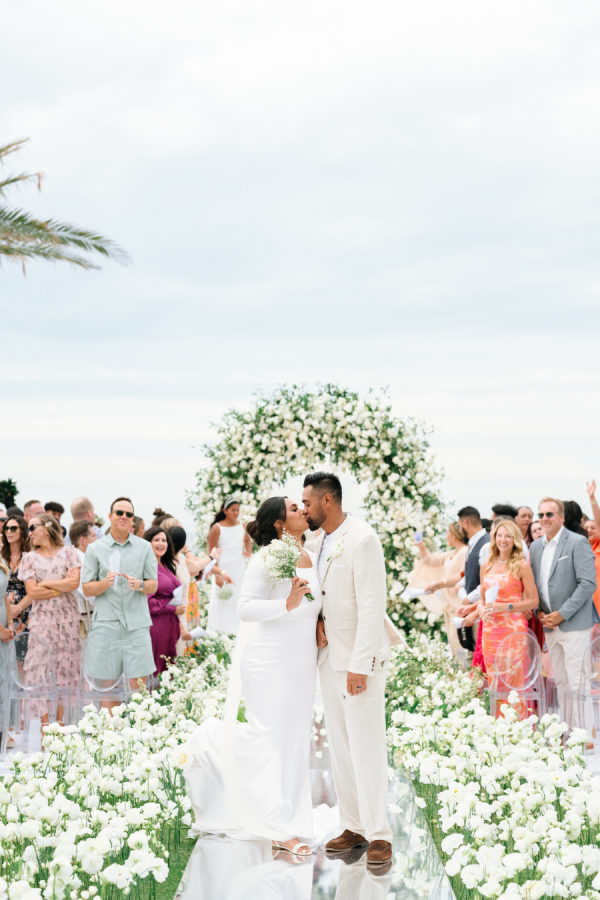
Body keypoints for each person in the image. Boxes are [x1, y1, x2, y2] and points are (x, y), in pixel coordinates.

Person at [182, 496, 321, 857]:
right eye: (293, 509)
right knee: (271, 738)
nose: (302, 512)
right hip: (269, 660)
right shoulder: (268, 557)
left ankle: (292, 819)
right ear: (278, 524)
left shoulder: (310, 554)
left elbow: (313, 601)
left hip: (300, 660)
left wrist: (318, 621)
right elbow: (245, 607)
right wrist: (286, 605)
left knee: (293, 739)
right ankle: (275, 825)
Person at [302, 472, 393, 867]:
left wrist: (362, 665)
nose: (302, 510)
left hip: (359, 663)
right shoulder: (319, 541)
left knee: (367, 746)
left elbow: (373, 606)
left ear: (327, 501)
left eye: (306, 503)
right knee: (340, 747)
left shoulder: (362, 538)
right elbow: (322, 595)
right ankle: (353, 825)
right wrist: (317, 621)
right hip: (329, 658)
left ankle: (379, 834)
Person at [530, 497, 598, 730]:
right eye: (541, 515)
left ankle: (585, 736)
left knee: (577, 681)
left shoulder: (577, 542)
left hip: (574, 624)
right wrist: (539, 611)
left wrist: (562, 613)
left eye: (549, 514)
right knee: (561, 683)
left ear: (561, 517)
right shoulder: (535, 546)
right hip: (549, 624)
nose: (544, 519)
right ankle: (569, 731)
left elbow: (588, 584)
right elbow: (535, 585)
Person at [82, 497, 158, 690]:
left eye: (129, 514)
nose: (124, 516)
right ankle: (109, 721)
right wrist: (105, 584)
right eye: (119, 513)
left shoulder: (145, 547)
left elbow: (153, 585)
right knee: (107, 686)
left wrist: (139, 584)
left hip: (137, 625)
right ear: (110, 516)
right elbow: (87, 588)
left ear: (133, 519)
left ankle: (139, 720)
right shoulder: (95, 549)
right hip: (107, 624)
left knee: (139, 687)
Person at [18, 514, 81, 729]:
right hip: (42, 620)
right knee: (41, 669)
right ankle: (46, 728)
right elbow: (32, 592)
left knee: (65, 668)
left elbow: (74, 583)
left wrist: (45, 584)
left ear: (46, 528)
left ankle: (60, 725)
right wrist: (59, 586)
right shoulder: (29, 558)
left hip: (67, 619)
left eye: (33, 527)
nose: (30, 533)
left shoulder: (69, 553)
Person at [478, 519, 539, 696]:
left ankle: (515, 722)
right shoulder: (486, 565)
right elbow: (482, 600)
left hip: (513, 631)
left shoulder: (521, 565)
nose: (503, 540)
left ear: (515, 540)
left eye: (508, 536)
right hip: (490, 631)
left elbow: (534, 601)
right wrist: (481, 610)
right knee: (495, 682)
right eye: (499, 535)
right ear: (494, 537)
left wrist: (506, 607)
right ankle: (497, 723)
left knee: (513, 682)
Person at [414, 523, 468, 656]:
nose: (446, 536)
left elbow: (462, 575)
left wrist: (439, 584)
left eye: (448, 533)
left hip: (459, 605)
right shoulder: (451, 553)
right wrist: (421, 546)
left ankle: (465, 673)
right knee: (452, 643)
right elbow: (430, 561)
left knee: (460, 643)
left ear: (454, 536)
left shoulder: (465, 552)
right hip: (448, 605)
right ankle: (458, 673)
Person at [206, 498, 252, 635]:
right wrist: (217, 574)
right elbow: (212, 552)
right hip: (223, 568)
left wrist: (248, 551)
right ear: (225, 511)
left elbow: (246, 539)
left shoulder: (242, 525)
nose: (236, 513)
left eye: (238, 510)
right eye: (233, 510)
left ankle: (238, 629)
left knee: (238, 596)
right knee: (221, 598)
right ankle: (219, 630)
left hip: (239, 567)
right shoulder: (217, 528)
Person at [144, 527, 183, 675]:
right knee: (155, 673)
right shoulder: (147, 568)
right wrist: (172, 609)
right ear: (148, 543)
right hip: (156, 626)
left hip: (170, 626)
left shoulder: (165, 565)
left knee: (168, 672)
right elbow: (148, 603)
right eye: (156, 540)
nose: (161, 543)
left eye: (164, 540)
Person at [455, 506, 491, 663]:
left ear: (465, 523)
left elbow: (487, 580)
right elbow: (470, 574)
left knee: (482, 657)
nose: (459, 529)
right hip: (470, 608)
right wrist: (461, 590)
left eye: (459, 525)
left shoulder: (486, 545)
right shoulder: (472, 544)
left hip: (480, 609)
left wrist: (468, 598)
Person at [1, 515, 31, 657]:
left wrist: (18, 608)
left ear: (22, 531)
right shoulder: (1, 556)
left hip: (26, 611)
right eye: (6, 528)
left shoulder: (30, 556)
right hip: (4, 611)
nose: (9, 532)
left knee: (23, 657)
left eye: (13, 528)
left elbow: (34, 590)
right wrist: (9, 612)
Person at [69, 520, 97, 636]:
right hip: (83, 621)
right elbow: (89, 593)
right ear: (82, 540)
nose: (97, 539)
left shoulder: (73, 556)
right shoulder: (80, 561)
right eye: (93, 536)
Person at [0, 554, 15, 747]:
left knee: (3, 676)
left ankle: (3, 728)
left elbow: (4, 596)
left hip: (4, 625)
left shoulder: (2, 562)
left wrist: (10, 623)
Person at [585, 480, 600, 616]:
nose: (589, 530)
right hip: (586, 607)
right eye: (586, 528)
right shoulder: (580, 549)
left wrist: (592, 498)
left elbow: (598, 519)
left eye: (593, 528)